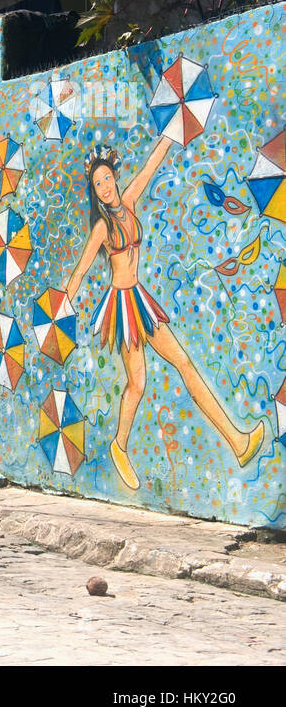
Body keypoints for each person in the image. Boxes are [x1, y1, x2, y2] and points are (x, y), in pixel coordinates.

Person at [64, 141, 264, 490]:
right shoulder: (101, 228)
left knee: (185, 363)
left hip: (140, 298)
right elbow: (79, 273)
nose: (106, 186)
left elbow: (149, 168)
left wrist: (171, 131)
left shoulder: (128, 202)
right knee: (137, 384)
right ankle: (120, 446)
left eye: (108, 178)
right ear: (94, 192)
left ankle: (238, 441)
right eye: (99, 184)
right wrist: (61, 309)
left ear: (114, 178)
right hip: (123, 306)